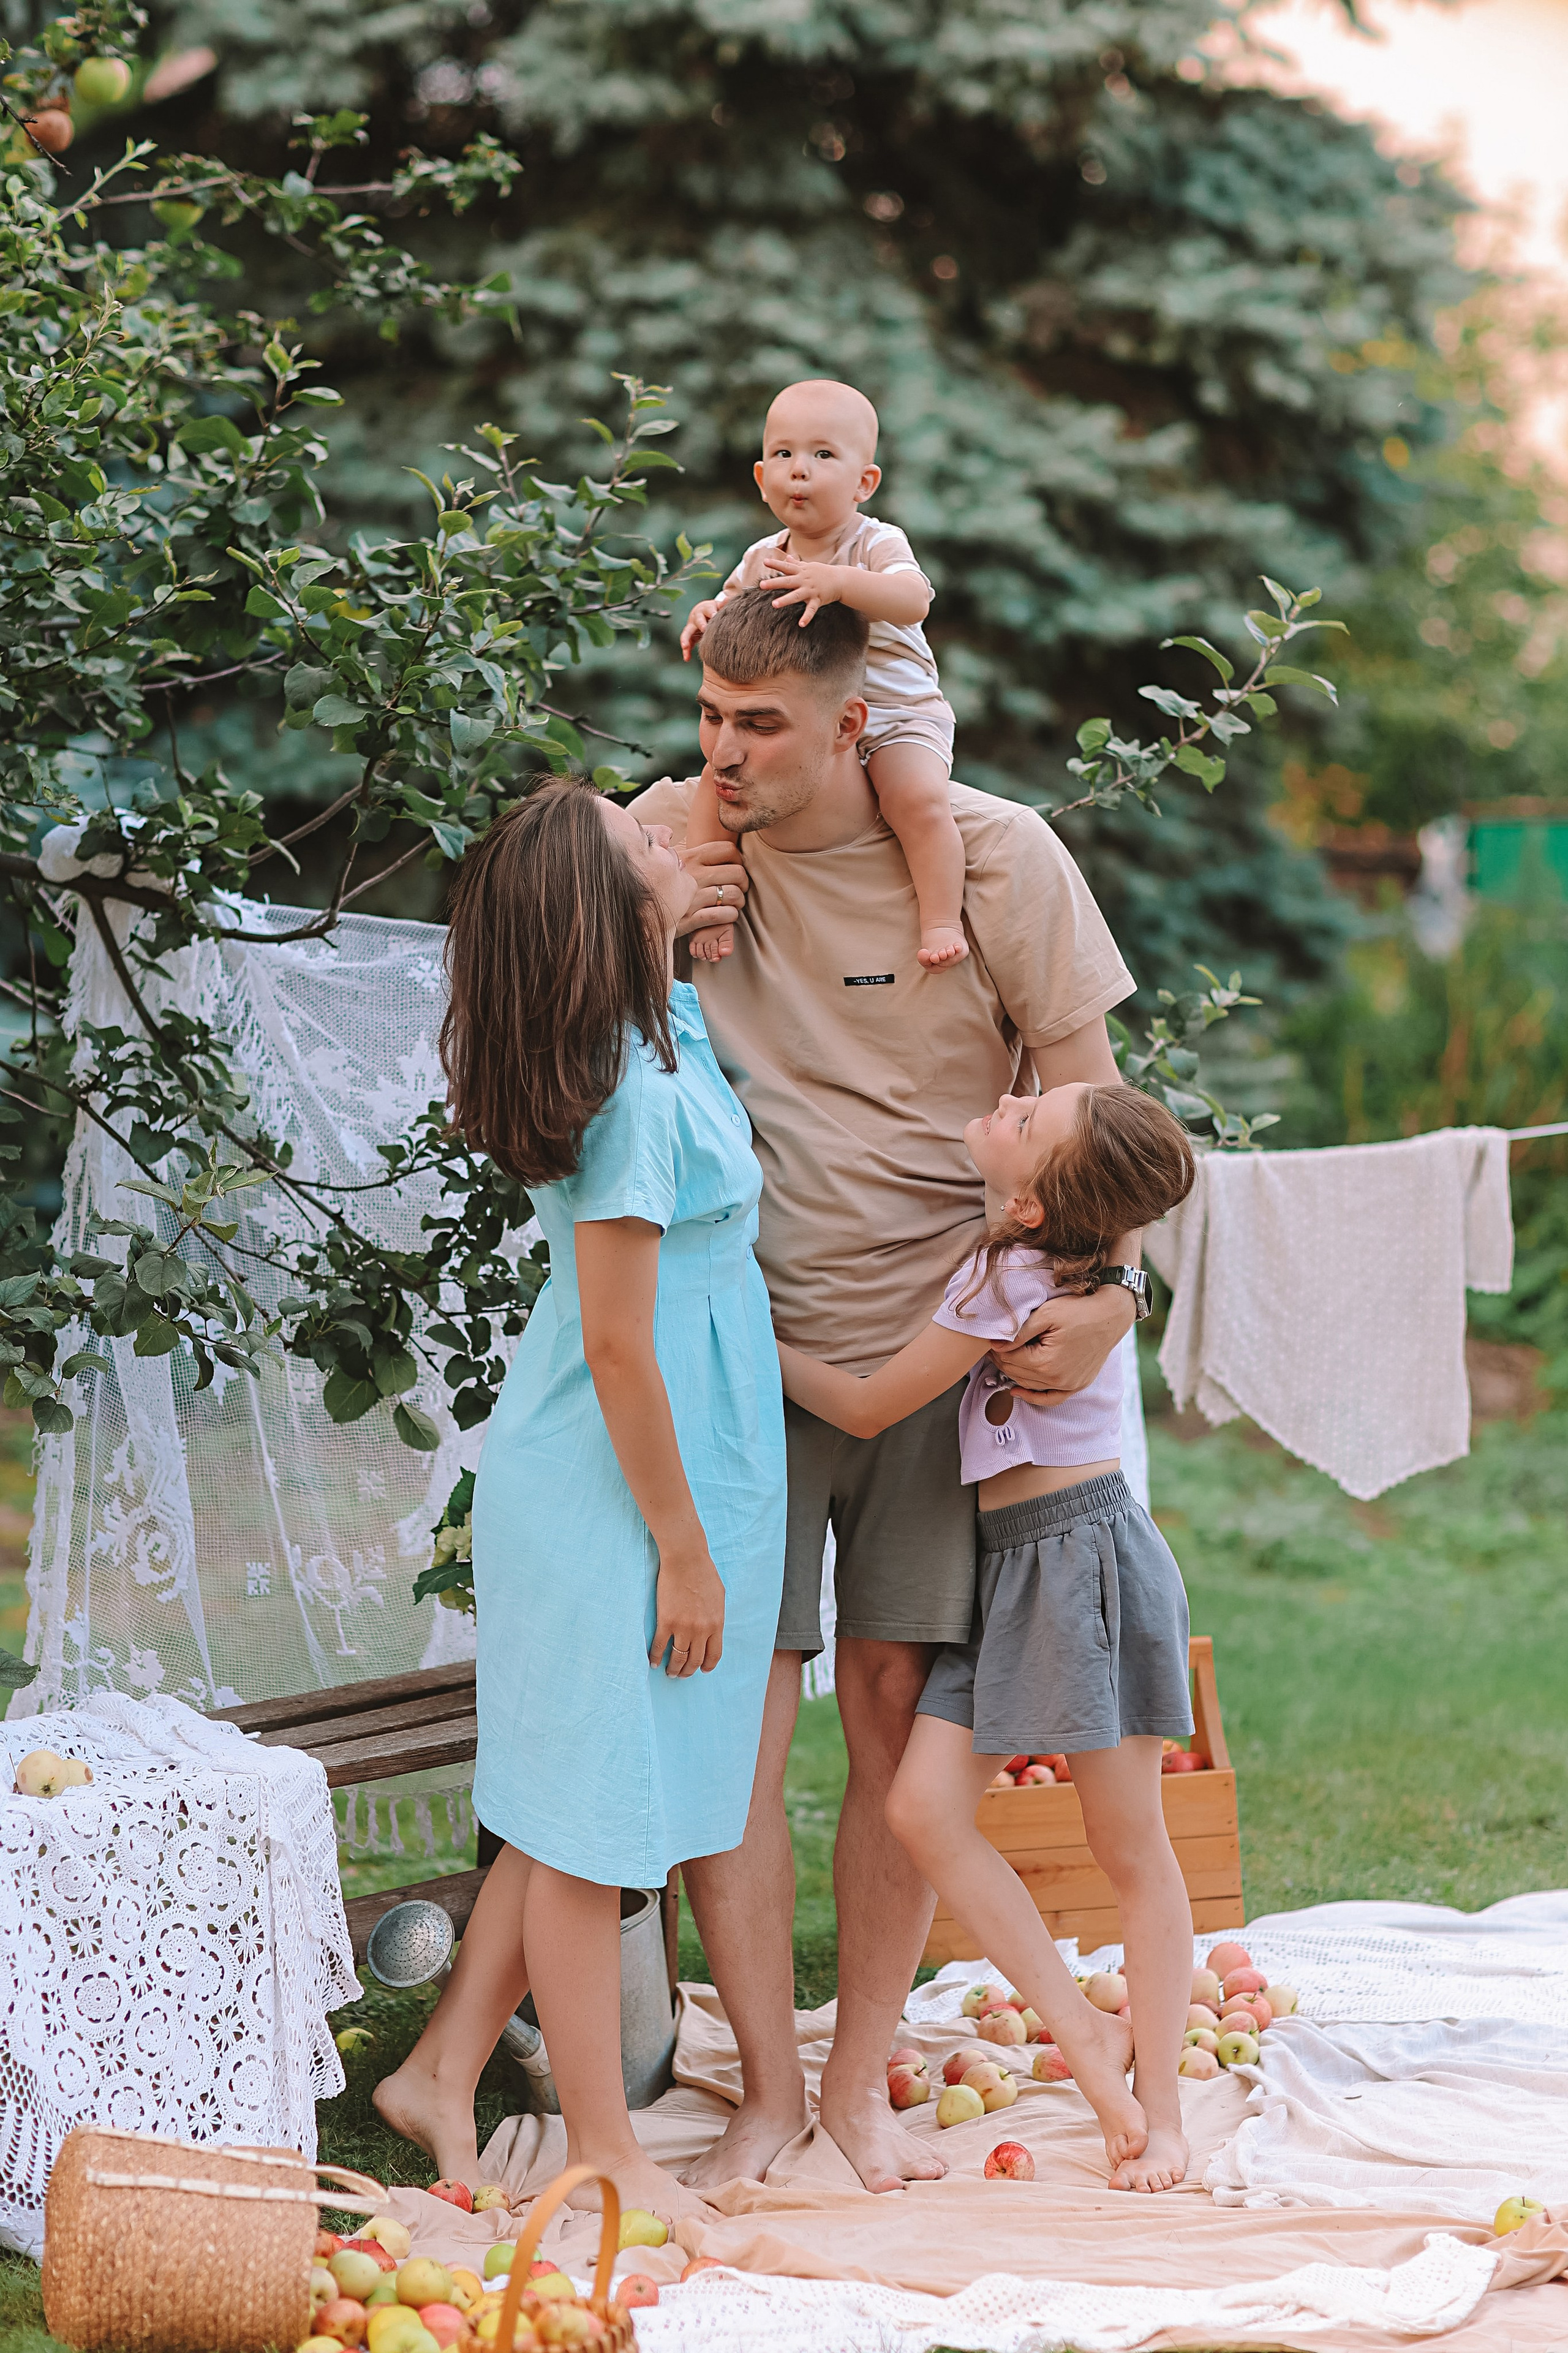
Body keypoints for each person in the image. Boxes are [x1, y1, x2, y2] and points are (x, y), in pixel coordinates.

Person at [632, 587, 1146, 2196]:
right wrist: (650, 867)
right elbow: (539, 943)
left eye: (759, 725)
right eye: (709, 717)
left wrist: (1115, 1293)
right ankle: (768, 2093)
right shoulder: (676, 846)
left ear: (860, 723)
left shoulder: (994, 861)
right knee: (737, 1729)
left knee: (882, 1719)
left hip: (948, 1374)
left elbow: (1099, 1119)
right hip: (744, 1364)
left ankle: (855, 2087)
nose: (724, 753)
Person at [373, 779, 785, 2218]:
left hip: (678, 1463)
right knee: (591, 1815)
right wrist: (680, 1545)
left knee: (570, 1806)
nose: (671, 839)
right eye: (646, 847)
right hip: (614, 1484)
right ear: (612, 915)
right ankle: (606, 2145)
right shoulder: (621, 1091)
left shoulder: (655, 1025)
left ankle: (437, 2068)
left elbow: (641, 844)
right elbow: (617, 1342)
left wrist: (649, 861)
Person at [777, 1078, 1198, 2191]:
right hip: (1009, 1570)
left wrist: (732, 1338)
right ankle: (1097, 2054)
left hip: (1079, 1562)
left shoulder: (1013, 1277)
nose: (1009, 1096)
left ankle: (1156, 2109)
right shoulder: (1046, 1257)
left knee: (1131, 1848)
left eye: (1028, 1119)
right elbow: (1135, 1195)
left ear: (1030, 1207)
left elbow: (868, 1407)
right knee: (920, 1809)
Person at [679, 377, 968, 970]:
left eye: (822, 455)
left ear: (865, 482)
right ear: (762, 478)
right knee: (714, 786)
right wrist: (708, 612)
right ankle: (710, 901)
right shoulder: (763, 556)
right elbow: (736, 609)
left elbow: (914, 599)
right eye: (783, 455)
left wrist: (838, 583)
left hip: (895, 711)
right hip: (808, 717)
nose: (799, 471)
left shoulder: (873, 542)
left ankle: (941, 916)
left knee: (913, 798)